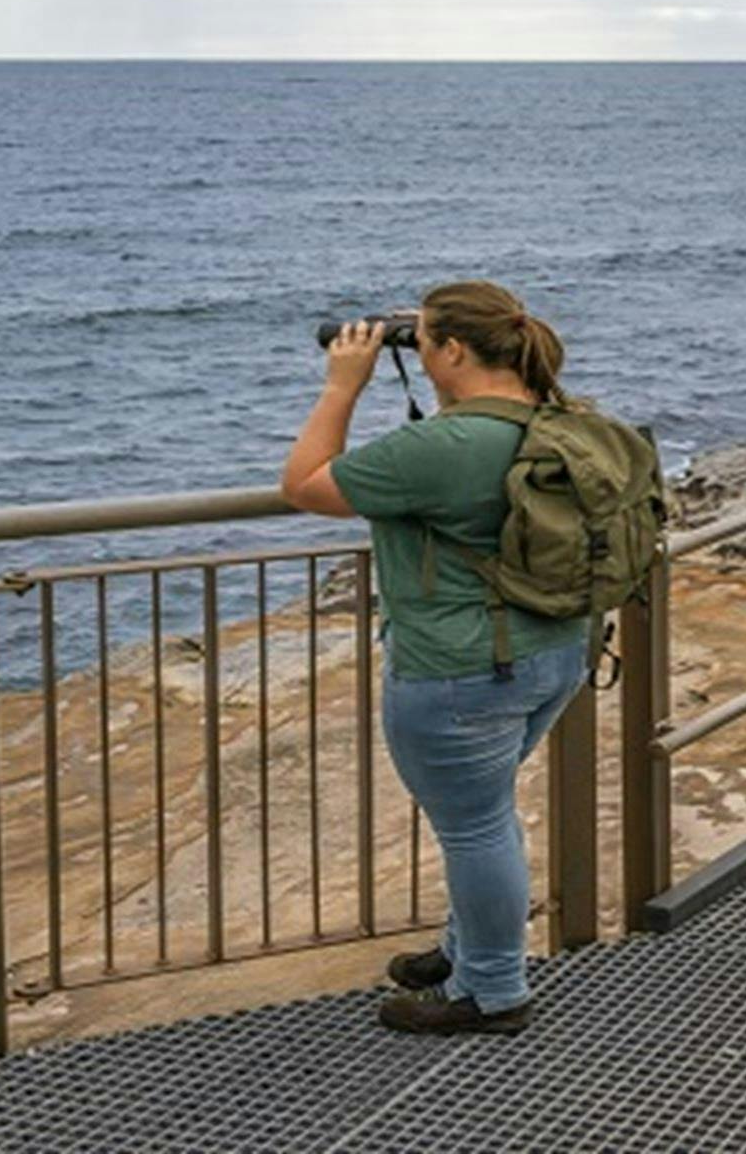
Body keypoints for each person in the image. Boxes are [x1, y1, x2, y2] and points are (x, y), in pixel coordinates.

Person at [281, 280, 589, 1036]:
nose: (416, 354)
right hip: (557, 651)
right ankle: (466, 950)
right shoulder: (565, 422)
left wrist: (341, 385)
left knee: (476, 827)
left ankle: (492, 991)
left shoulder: (442, 446)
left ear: (453, 350)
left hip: (461, 671)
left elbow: (304, 486)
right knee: (486, 814)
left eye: (421, 341)